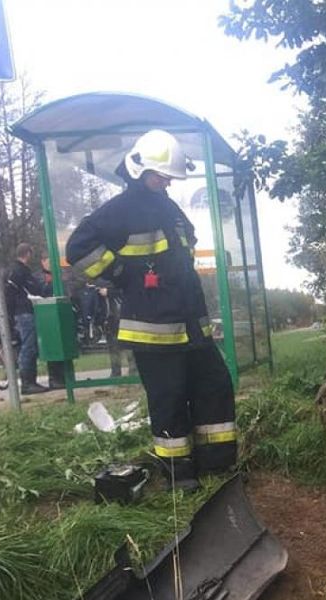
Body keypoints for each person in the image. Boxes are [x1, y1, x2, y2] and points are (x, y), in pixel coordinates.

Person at [65, 129, 237, 490]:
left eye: (169, 177)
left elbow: (184, 244)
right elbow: (78, 249)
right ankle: (179, 475)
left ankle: (217, 464)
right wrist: (120, 274)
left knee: (214, 386)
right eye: (161, 176)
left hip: (190, 325)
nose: (166, 183)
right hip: (152, 328)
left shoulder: (167, 207)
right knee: (169, 398)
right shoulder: (121, 209)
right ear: (139, 170)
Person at [0, 243, 51, 394]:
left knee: (18, 344)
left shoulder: (6, 271)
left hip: (8, 314)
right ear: (28, 254)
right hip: (22, 312)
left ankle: (18, 375)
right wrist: (51, 288)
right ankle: (28, 383)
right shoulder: (22, 271)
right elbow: (37, 289)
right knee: (29, 346)